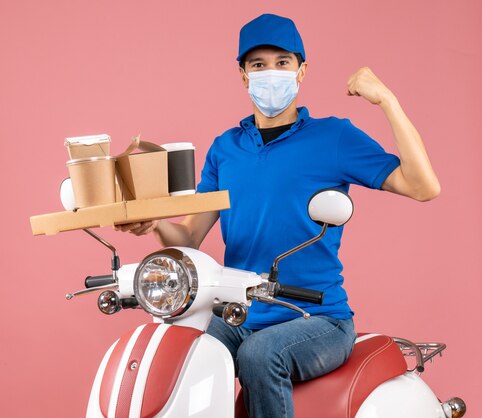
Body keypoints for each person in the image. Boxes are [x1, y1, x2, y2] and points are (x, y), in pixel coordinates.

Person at [115, 13, 440, 418]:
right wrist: (154, 224)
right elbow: (190, 238)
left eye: (282, 62)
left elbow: (424, 186)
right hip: (239, 312)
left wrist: (387, 101)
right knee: (177, 342)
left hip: (318, 318)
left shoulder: (334, 137)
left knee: (259, 354)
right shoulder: (225, 149)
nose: (271, 73)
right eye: (258, 64)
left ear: (302, 71)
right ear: (243, 75)